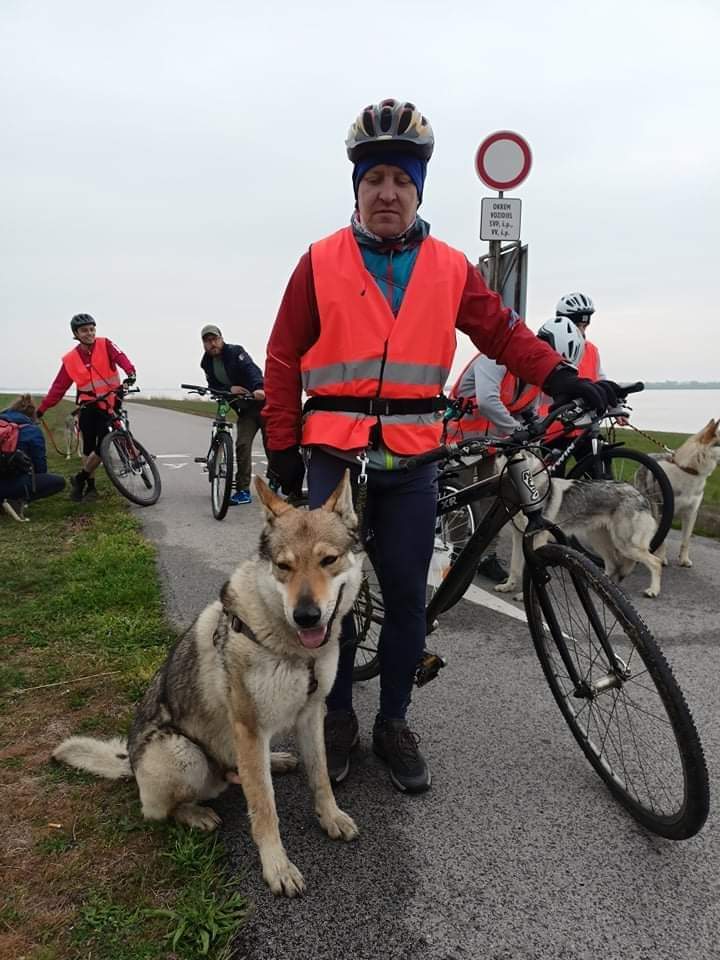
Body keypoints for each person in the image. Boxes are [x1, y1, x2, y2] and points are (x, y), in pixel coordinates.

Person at [262, 98, 616, 794]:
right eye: (374, 179)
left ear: (418, 189)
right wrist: (281, 447)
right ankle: (336, 715)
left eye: (401, 179)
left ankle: (392, 719)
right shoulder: (319, 261)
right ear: (357, 190)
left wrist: (565, 377)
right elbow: (282, 357)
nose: (387, 192)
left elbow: (506, 336)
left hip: (414, 454)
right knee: (327, 596)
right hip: (335, 452)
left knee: (406, 597)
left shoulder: (450, 266)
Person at [444, 316, 586, 581]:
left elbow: (526, 404)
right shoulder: (494, 357)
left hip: (493, 443)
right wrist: (515, 429)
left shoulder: (532, 371)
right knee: (460, 501)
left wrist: (533, 422)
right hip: (461, 440)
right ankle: (456, 554)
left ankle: (486, 556)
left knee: (492, 499)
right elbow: (488, 401)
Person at [37, 314, 137, 501]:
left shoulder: (106, 344)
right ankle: (89, 487)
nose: (89, 333)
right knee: (88, 447)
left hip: (111, 400)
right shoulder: (70, 359)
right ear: (76, 334)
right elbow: (58, 388)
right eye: (84, 330)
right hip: (88, 405)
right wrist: (43, 408)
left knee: (104, 442)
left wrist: (130, 372)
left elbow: (121, 357)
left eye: (92, 329)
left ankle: (80, 477)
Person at [199, 324, 266, 505]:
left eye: (215, 339)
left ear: (221, 338)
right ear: (204, 344)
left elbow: (251, 370)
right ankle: (243, 491)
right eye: (207, 341)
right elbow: (213, 384)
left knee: (273, 446)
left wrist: (259, 387)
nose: (212, 344)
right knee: (242, 445)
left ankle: (277, 481)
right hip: (244, 410)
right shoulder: (206, 362)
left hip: (262, 404)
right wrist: (230, 389)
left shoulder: (236, 352)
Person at [0, 394, 66, 520]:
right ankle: (14, 499)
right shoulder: (32, 431)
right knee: (58, 482)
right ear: (32, 415)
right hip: (9, 482)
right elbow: (41, 468)